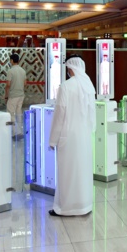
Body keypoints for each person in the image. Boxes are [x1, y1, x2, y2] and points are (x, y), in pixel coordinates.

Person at [48, 55, 96, 216]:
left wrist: (53, 139)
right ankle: (84, 205)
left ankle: (66, 208)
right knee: (82, 171)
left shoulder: (66, 87)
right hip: (84, 136)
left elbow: (59, 114)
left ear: (70, 69)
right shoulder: (89, 86)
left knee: (67, 172)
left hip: (68, 136)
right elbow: (92, 115)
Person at [4, 53, 26, 139]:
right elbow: (25, 83)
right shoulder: (23, 71)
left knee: (10, 114)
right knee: (18, 113)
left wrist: (6, 96)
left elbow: (8, 85)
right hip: (21, 95)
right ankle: (20, 131)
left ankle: (14, 133)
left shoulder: (10, 71)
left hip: (13, 95)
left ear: (12, 61)